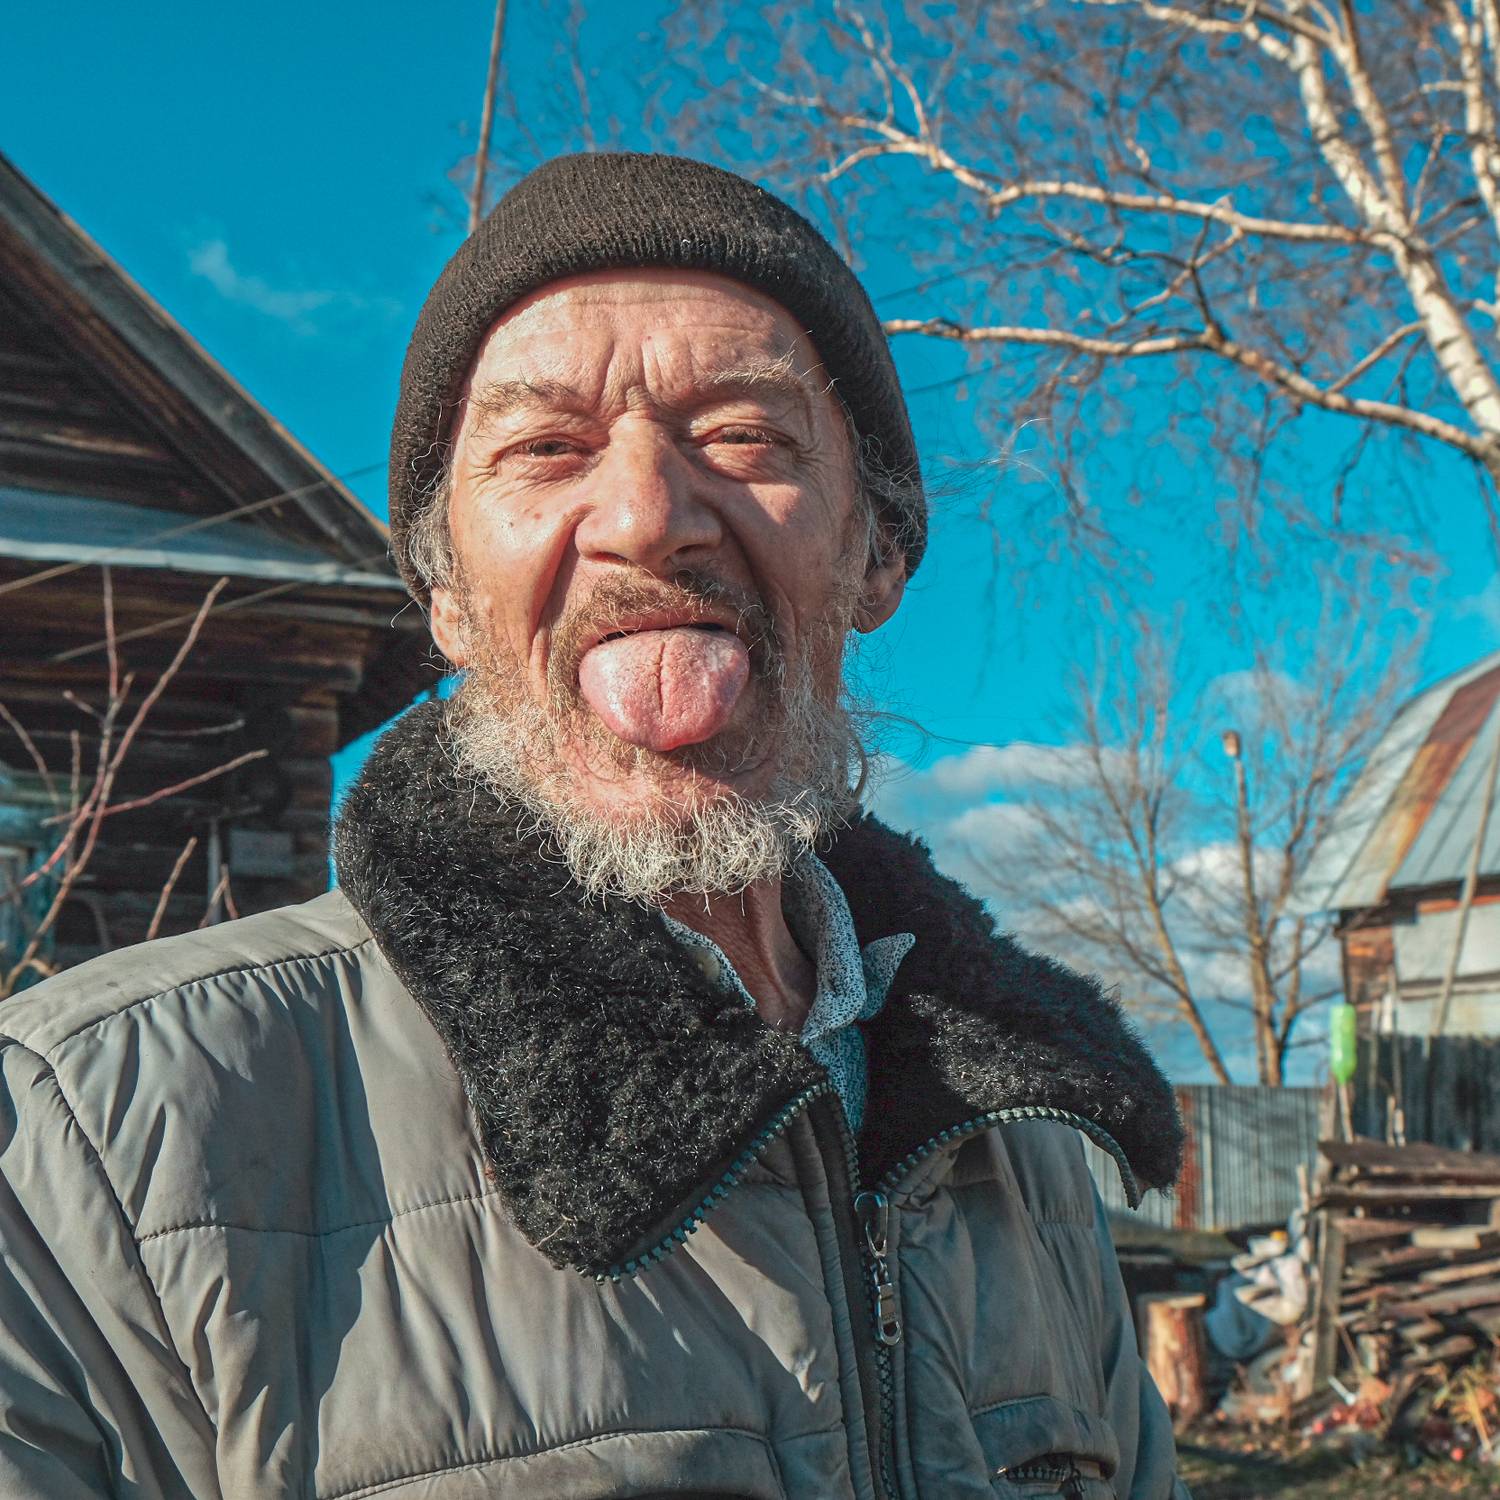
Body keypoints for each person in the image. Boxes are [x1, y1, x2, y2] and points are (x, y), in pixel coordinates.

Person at [0, 152, 1190, 1499]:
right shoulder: (85, 1140)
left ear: (875, 554)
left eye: (744, 436)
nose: (646, 519)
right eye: (543, 450)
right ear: (450, 598)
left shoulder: (1017, 1148)